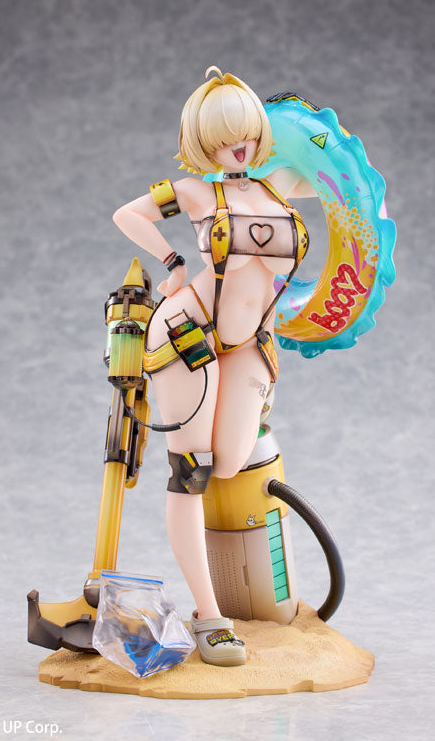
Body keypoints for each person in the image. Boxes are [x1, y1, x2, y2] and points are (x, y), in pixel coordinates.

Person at [113, 66, 315, 666]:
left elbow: (343, 176)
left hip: (251, 340)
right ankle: (210, 616)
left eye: (247, 132)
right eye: (224, 136)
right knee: (194, 471)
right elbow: (127, 215)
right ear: (204, 141)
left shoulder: (279, 185)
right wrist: (174, 261)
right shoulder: (197, 192)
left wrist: (309, 125)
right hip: (189, 333)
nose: (239, 146)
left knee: (231, 460)